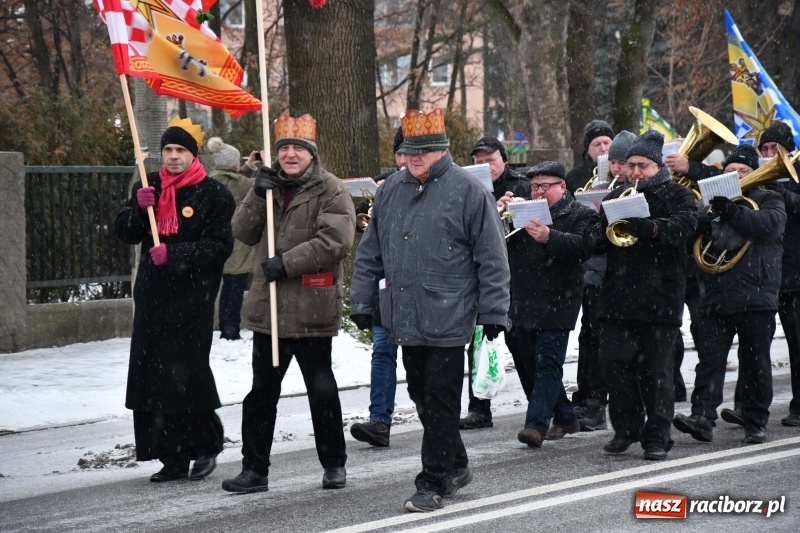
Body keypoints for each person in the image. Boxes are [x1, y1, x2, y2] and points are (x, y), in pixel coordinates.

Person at [350, 108, 510, 512]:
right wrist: (363, 302)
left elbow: (493, 257)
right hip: (405, 312)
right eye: (409, 151)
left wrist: (494, 312)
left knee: (440, 398)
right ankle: (456, 463)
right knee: (422, 394)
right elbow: (371, 253)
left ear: (442, 150)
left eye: (424, 150)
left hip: (451, 313)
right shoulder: (390, 190)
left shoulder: (469, 191)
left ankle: (433, 480)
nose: (415, 158)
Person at [221, 113, 356, 493]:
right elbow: (242, 232)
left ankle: (334, 464)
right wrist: (255, 192)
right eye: (285, 149)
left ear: (311, 154)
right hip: (270, 312)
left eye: (298, 148)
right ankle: (255, 470)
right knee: (261, 393)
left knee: (321, 391)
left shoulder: (331, 189)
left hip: (312, 307)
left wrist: (286, 263)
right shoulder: (268, 188)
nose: (291, 155)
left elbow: (336, 242)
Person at [114, 118, 234, 482]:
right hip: (153, 297)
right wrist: (137, 209)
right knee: (154, 377)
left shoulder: (214, 194)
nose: (173, 156)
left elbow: (220, 246)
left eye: (181, 150)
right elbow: (125, 232)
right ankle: (170, 457)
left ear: (193, 155)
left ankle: (205, 445)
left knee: (187, 375)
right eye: (168, 150)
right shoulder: (148, 182)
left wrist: (178, 254)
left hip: (192, 299)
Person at [584, 130, 697, 461]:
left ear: (658, 166)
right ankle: (626, 428)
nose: (634, 172)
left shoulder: (678, 195)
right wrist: (601, 230)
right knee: (615, 366)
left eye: (642, 166)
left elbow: (683, 228)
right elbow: (594, 238)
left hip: (659, 297)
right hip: (618, 296)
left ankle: (658, 436)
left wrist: (647, 227)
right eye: (631, 165)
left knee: (657, 371)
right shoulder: (616, 195)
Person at [673, 144, 786, 445]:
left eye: (743, 171)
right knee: (709, 360)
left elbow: (766, 228)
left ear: (756, 174)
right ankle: (702, 417)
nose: (736, 175)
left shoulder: (768, 198)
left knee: (755, 361)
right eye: (730, 171)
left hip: (755, 293)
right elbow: (690, 241)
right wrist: (702, 218)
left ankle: (755, 420)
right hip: (714, 292)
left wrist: (733, 210)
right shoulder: (710, 203)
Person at [495, 161, 593, 448]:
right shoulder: (520, 211)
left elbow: (584, 247)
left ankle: (535, 425)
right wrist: (498, 214)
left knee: (547, 363)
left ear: (562, 187)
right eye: (534, 186)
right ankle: (565, 416)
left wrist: (550, 237)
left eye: (545, 186)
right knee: (527, 363)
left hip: (559, 300)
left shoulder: (579, 213)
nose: (538, 192)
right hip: (522, 298)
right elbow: (494, 243)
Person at [459, 136, 531, 431]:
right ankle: (479, 407)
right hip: (479, 273)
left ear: (503, 159)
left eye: (490, 160)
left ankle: (538, 404)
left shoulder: (522, 184)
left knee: (519, 341)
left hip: (515, 272)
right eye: (478, 162)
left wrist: (509, 209)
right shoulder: (467, 187)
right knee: (477, 341)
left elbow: (532, 221)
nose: (485, 166)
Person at [572, 130, 635, 432]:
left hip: (628, 279)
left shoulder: (641, 190)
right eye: (614, 163)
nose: (618, 169)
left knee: (619, 346)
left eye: (624, 162)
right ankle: (592, 401)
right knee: (591, 339)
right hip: (597, 277)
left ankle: (619, 407)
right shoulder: (600, 186)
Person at [349, 126, 406, 447]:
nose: (402, 159)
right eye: (398, 153)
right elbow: (366, 235)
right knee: (383, 351)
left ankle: (438, 418)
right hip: (386, 285)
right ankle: (380, 421)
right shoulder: (384, 184)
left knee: (424, 359)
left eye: (407, 153)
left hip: (420, 288)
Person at [759, 122, 800, 428]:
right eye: (765, 150)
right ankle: (750, 406)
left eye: (776, 150)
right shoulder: (758, 180)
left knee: (798, 342)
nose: (770, 155)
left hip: (795, 273)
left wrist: (782, 191)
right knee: (758, 343)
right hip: (770, 275)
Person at [206, 136, 256, 341]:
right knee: (235, 287)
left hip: (220, 241)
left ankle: (223, 326)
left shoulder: (212, 178)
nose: (240, 163)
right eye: (238, 160)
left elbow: (234, 182)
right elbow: (257, 185)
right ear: (231, 163)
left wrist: (247, 167)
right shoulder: (240, 184)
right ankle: (231, 329)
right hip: (238, 243)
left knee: (226, 286)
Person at [565, 120, 614, 194]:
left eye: (606, 143)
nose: (603, 148)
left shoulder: (623, 170)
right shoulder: (575, 176)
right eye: (597, 144)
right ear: (588, 150)